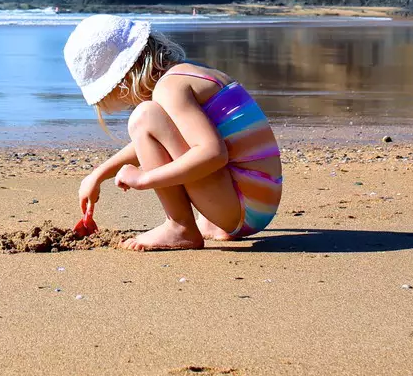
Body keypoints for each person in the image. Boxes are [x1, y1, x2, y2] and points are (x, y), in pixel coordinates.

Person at [63, 15, 283, 251]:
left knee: (144, 116)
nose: (126, 105)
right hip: (258, 202)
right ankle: (210, 220)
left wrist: (144, 179)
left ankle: (179, 227)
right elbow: (167, 138)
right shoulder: (189, 73)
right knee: (149, 119)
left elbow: (213, 153)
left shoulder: (169, 89)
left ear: (123, 81)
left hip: (242, 209)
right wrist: (98, 174)